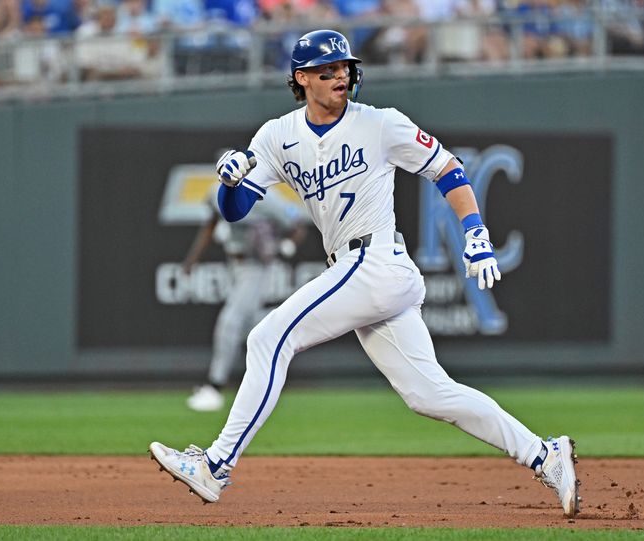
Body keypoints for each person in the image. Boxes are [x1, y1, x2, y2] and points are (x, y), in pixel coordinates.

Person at [149, 29, 581, 518]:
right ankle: (546, 456)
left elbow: (448, 169)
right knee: (430, 394)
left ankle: (216, 466)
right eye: (328, 70)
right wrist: (228, 183)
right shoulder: (276, 136)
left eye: (345, 68)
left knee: (268, 339)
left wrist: (475, 231)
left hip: (375, 261)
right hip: (364, 271)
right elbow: (235, 209)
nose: (341, 76)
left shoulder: (380, 124)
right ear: (301, 78)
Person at [184, 183, 308, 412]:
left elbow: (297, 224)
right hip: (234, 264)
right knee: (252, 324)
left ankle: (215, 387)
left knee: (230, 322)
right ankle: (291, 321)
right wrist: (192, 259)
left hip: (255, 267)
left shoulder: (266, 199)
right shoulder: (217, 192)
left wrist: (284, 246)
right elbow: (211, 223)